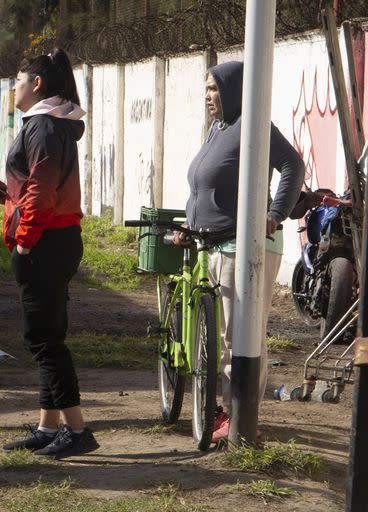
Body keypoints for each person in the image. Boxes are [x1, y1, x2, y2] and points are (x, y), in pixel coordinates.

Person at [171, 61, 305, 443]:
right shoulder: (220, 129)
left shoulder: (253, 124)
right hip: (214, 244)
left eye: (214, 89)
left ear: (232, 91)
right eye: (206, 89)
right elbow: (206, 185)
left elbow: (293, 165)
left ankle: (241, 416)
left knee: (240, 336)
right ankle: (224, 410)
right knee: (221, 336)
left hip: (244, 247)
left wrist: (274, 215)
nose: (207, 96)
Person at [0, 49, 99, 459]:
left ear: (36, 84)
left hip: (46, 243)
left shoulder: (44, 126)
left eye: (17, 79)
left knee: (43, 339)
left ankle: (78, 430)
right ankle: (49, 427)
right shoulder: (48, 124)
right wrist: (5, 194)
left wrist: (25, 238)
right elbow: (34, 187)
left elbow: (43, 191)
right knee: (50, 333)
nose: (13, 87)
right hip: (55, 239)